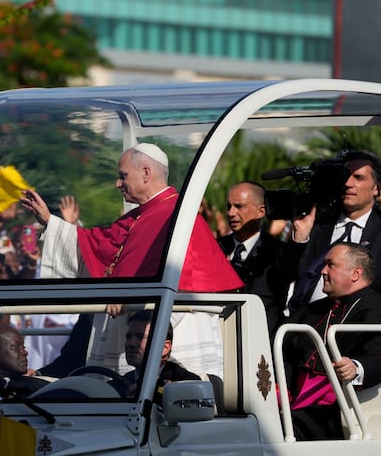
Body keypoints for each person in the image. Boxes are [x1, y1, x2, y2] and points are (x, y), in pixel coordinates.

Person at [21, 143, 242, 376]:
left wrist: (126, 293)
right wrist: (51, 222)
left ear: (146, 173)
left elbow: (183, 274)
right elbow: (98, 245)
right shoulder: (139, 215)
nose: (118, 183)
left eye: (122, 176)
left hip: (175, 328)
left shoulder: (179, 214)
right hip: (133, 325)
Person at [283, 243, 381, 440]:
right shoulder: (313, 310)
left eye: (330, 265)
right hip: (293, 397)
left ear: (356, 273)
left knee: (277, 428)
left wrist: (356, 367)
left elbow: (377, 355)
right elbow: (284, 347)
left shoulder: (375, 309)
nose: (322, 270)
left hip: (339, 408)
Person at [282, 149, 381, 314]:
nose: (348, 183)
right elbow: (282, 275)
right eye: (344, 176)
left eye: (359, 177)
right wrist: (298, 239)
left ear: (377, 189)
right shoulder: (317, 225)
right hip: (302, 324)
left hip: (359, 327)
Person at [217, 181, 286, 337]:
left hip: (260, 338)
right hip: (219, 337)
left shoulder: (277, 251)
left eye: (239, 206)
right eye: (229, 207)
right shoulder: (214, 249)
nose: (231, 213)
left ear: (260, 212)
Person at [114, 310, 200, 401]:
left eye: (140, 337)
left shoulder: (187, 384)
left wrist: (157, 393)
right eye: (128, 337)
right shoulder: (120, 383)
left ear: (164, 348)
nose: (131, 343)